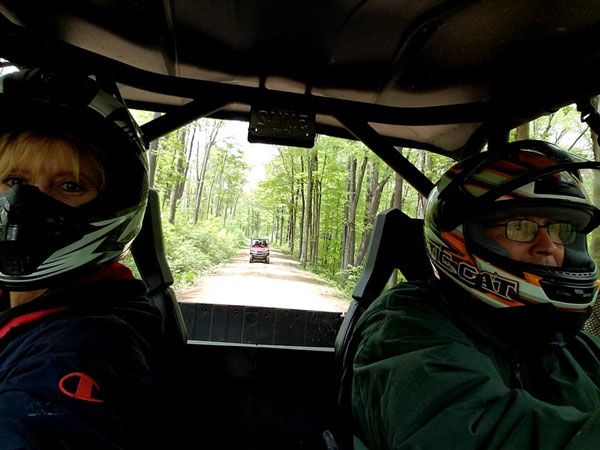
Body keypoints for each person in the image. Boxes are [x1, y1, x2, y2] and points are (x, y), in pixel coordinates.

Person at [351, 141, 600, 449]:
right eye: (519, 227)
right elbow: (469, 435)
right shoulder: (404, 329)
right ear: (465, 236)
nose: (549, 246)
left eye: (561, 230)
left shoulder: (570, 345)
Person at [0, 68, 165, 449]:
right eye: (13, 181)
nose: (23, 205)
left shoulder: (91, 344)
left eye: (69, 185)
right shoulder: (34, 305)